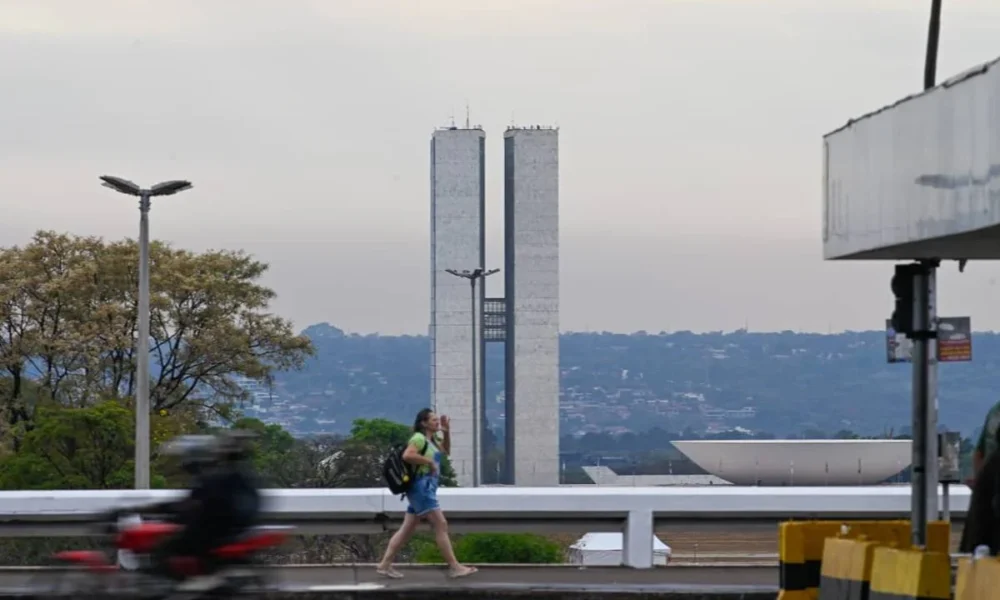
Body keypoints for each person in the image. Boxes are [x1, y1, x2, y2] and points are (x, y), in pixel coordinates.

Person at [136, 433, 263, 579]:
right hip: (229, 531)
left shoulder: (214, 480)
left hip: (213, 535)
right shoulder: (237, 476)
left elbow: (191, 505)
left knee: (165, 549)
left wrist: (160, 510)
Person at [376, 409, 476, 579]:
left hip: (426, 488)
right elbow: (408, 455)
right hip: (420, 488)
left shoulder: (433, 440)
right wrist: (429, 462)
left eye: (437, 420)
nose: (437, 422)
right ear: (424, 423)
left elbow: (446, 451)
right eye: (434, 420)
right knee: (440, 524)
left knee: (407, 529)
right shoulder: (419, 438)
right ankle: (455, 567)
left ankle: (384, 565)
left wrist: (446, 432)